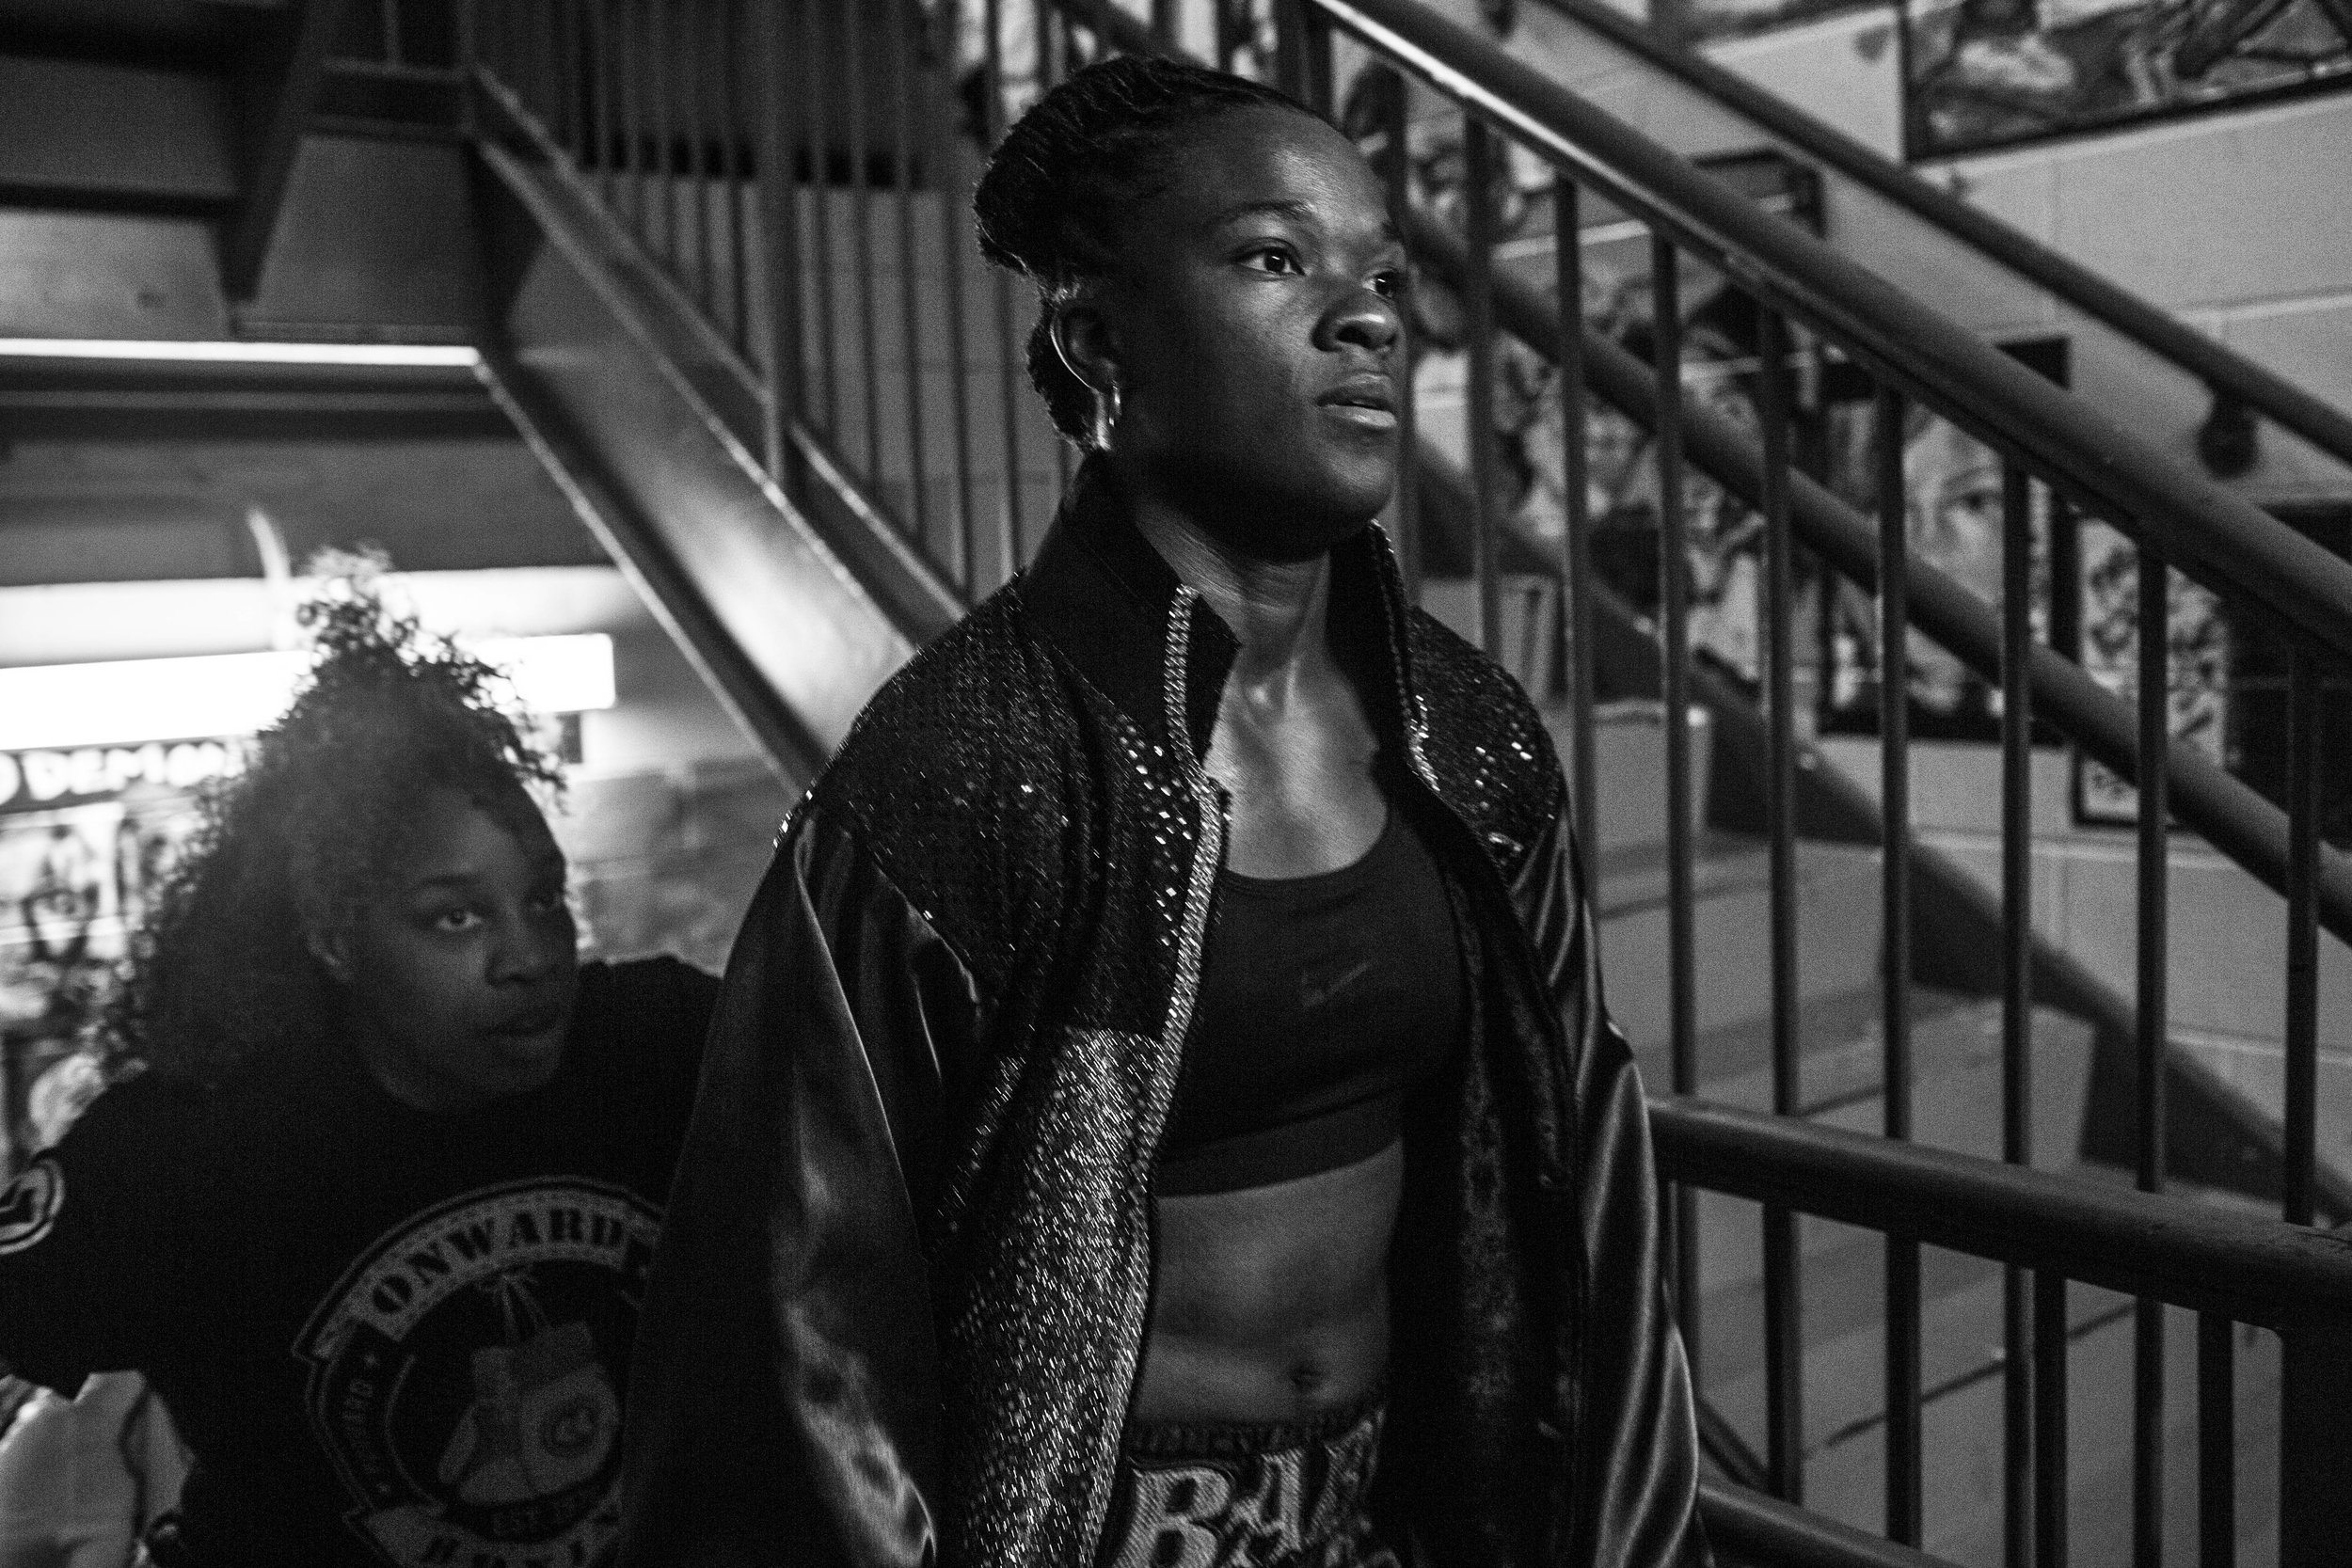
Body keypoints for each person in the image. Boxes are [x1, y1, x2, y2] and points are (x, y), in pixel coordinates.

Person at [620, 55, 1706, 1568]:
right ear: (1099, 338)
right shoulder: (961, 764)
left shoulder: (1468, 734)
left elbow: (1580, 1170)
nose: (1371, 314)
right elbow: (797, 1314)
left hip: (1395, 1512)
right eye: (1276, 258)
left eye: (1382, 272)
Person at [0, 582, 719, 1568]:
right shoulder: (191, 1151)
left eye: (544, 898)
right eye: (456, 916)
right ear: (339, 939)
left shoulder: (659, 1044)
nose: (531, 954)